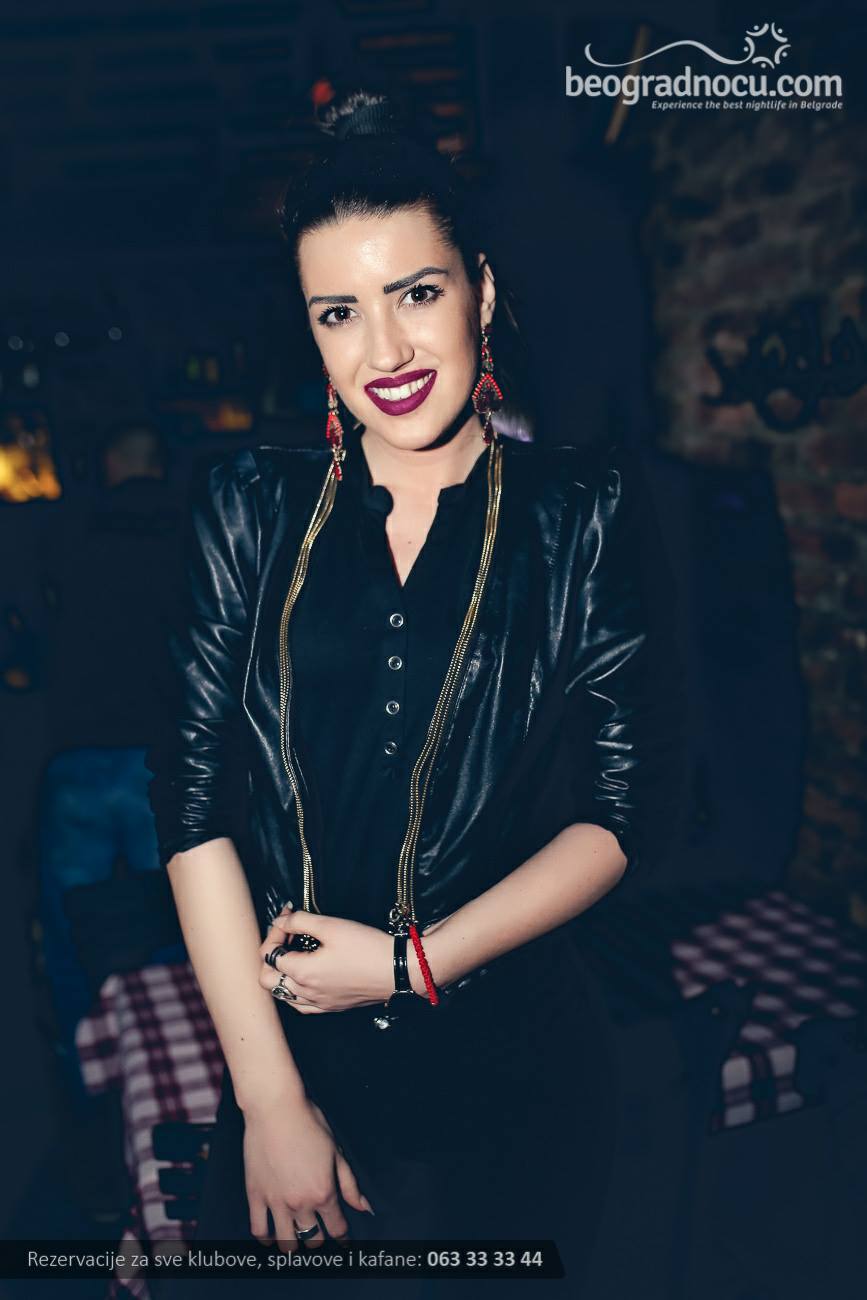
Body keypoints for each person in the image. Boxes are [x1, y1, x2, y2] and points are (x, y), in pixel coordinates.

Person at [147, 90, 689, 1297]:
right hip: (295, 1067)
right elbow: (190, 807)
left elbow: (621, 816)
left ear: (481, 293)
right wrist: (270, 1101)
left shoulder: (584, 512)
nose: (384, 352)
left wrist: (410, 963)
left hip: (520, 1078)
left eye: (417, 293)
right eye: (339, 313)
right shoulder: (247, 508)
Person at [37, 420, 186, 1107]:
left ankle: (92, 1073)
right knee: (181, 921)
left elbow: (33, 621)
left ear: (111, 459)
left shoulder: (69, 529)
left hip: (81, 747)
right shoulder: (192, 527)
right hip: (164, 751)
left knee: (76, 926)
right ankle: (184, 1061)